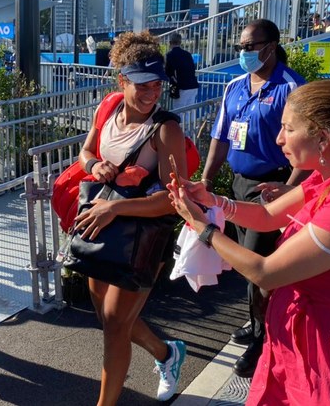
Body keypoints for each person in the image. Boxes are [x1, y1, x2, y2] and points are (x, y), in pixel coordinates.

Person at [170, 80, 330, 405]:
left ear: (324, 138)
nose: (279, 138)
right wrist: (214, 201)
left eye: (288, 129)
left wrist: (203, 228)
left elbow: (265, 272)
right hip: (304, 338)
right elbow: (267, 215)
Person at [74, 31, 187, 405]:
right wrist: (94, 164)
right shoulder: (107, 109)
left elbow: (175, 200)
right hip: (103, 228)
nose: (152, 92)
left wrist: (115, 208)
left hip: (142, 238)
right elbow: (85, 151)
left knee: (115, 325)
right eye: (143, 84)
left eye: (158, 84)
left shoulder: (166, 129)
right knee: (110, 319)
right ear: (122, 80)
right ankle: (167, 353)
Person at [201, 18, 307, 377]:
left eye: (250, 47)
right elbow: (220, 138)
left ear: (271, 47)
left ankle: (262, 341)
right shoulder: (235, 86)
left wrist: (289, 189)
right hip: (239, 185)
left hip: (272, 188)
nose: (243, 53)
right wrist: (206, 181)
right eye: (240, 47)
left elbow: (305, 144)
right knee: (249, 265)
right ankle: (258, 320)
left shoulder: (291, 87)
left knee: (259, 267)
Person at [165, 33, 199, 128]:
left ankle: (180, 131)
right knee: (191, 109)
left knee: (179, 110)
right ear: (180, 42)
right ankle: (191, 131)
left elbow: (168, 72)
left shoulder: (170, 55)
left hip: (181, 87)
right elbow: (192, 69)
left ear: (170, 42)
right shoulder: (187, 54)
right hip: (193, 85)